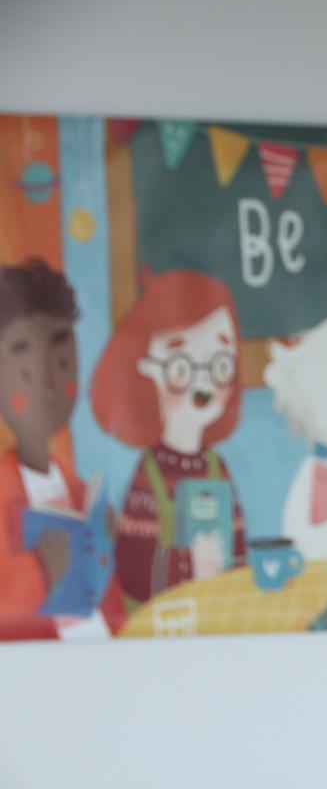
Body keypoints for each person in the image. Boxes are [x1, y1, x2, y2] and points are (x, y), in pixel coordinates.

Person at [91, 269, 247, 603]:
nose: (202, 384)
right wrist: (189, 562)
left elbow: (239, 554)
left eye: (220, 365)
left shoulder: (219, 469)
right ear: (150, 373)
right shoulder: (149, 477)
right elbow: (133, 572)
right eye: (181, 368)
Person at [0, 258, 126, 640]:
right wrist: (40, 572)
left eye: (63, 361)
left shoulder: (79, 492)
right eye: (24, 365)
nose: (48, 385)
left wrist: (103, 550)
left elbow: (107, 607)